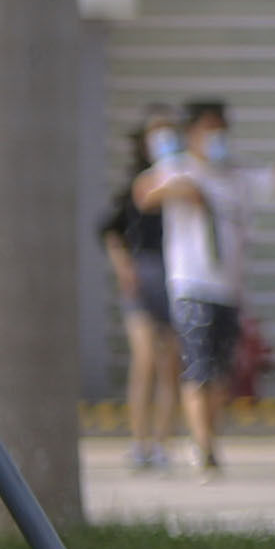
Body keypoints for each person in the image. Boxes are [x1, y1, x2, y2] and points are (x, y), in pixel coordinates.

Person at [136, 98, 255, 475]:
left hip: (228, 287)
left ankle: (209, 440)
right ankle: (202, 446)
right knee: (196, 366)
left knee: (219, 372)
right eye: (209, 129)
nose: (216, 137)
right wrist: (180, 189)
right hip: (190, 284)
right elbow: (145, 192)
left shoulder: (234, 176)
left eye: (221, 128)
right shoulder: (178, 168)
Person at [98, 128, 178, 470]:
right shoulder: (138, 185)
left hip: (177, 274)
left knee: (170, 364)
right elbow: (109, 231)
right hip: (144, 273)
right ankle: (140, 441)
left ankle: (162, 443)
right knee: (144, 358)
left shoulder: (185, 178)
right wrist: (124, 269)